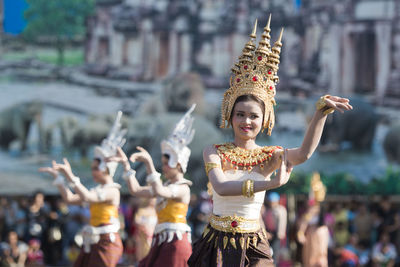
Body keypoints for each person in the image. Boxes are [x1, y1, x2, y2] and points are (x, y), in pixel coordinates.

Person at [187, 16, 352, 267]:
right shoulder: (214, 151)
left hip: (253, 245)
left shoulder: (269, 155)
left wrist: (319, 114)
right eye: (240, 114)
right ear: (230, 116)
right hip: (217, 244)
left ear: (264, 120)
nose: (246, 121)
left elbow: (304, 154)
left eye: (254, 116)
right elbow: (220, 186)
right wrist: (270, 183)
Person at [109, 105, 196, 267]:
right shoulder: (166, 186)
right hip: (161, 242)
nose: (163, 167)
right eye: (162, 163)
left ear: (178, 163)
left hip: (175, 243)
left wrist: (149, 163)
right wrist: (126, 166)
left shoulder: (183, 188)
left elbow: (160, 191)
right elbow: (135, 190)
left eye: (165, 163)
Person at [39, 111, 126, 267]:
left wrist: (70, 176)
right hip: (93, 240)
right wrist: (59, 180)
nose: (92, 171)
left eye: (95, 168)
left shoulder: (112, 190)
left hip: (106, 242)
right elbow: (70, 199)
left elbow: (86, 197)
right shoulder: (98, 189)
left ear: (106, 169)